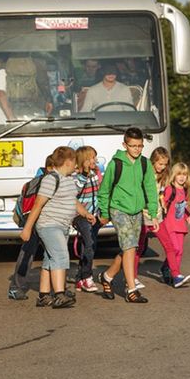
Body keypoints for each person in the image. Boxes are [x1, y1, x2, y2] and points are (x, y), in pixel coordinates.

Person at [20, 146, 96, 308]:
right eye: (74, 161)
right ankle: (60, 294)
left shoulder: (68, 179)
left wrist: (85, 213)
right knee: (61, 256)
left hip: (62, 226)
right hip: (49, 225)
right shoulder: (51, 179)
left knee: (50, 259)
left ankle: (43, 295)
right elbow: (38, 205)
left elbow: (73, 201)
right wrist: (27, 228)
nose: (76, 165)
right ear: (68, 162)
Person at [97, 128, 159, 303]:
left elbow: (150, 190)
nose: (137, 149)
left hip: (137, 211)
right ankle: (131, 289)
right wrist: (104, 212)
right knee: (130, 247)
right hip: (119, 209)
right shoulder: (115, 164)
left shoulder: (145, 164)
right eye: (133, 146)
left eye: (140, 146)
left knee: (129, 248)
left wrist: (153, 214)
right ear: (125, 145)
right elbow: (104, 191)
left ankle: (107, 276)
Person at [8, 155, 53, 300]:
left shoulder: (34, 181)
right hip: (38, 221)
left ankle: (17, 287)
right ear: (50, 168)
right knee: (33, 253)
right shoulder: (45, 182)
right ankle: (16, 287)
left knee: (34, 253)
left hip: (36, 221)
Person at [155, 162, 190, 288]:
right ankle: (175, 275)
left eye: (184, 175)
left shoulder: (185, 190)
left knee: (180, 251)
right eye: (179, 174)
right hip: (169, 225)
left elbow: (184, 206)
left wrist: (187, 217)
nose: (182, 177)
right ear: (174, 176)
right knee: (174, 249)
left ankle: (167, 268)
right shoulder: (169, 189)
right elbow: (162, 202)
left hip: (181, 226)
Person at [73, 146, 101, 293]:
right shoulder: (77, 177)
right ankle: (87, 277)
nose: (95, 160)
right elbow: (75, 191)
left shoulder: (95, 174)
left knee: (89, 246)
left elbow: (99, 192)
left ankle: (79, 278)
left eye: (95, 157)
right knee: (89, 244)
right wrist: (83, 174)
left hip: (94, 216)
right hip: (81, 216)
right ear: (83, 160)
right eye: (91, 158)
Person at [147, 147, 171, 284]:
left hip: (157, 215)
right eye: (160, 164)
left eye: (165, 164)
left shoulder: (163, 176)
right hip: (144, 215)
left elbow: (160, 192)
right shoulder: (146, 174)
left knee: (169, 245)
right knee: (137, 248)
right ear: (153, 161)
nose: (162, 167)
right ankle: (131, 277)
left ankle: (174, 273)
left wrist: (163, 202)